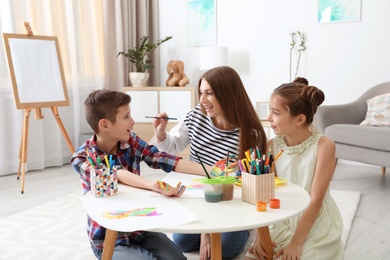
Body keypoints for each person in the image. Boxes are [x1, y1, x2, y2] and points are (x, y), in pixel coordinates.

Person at [71, 89, 211, 260]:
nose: (132, 121)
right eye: (126, 117)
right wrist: (155, 186)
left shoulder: (130, 141)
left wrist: (209, 170)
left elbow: (163, 159)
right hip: (110, 238)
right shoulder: (81, 158)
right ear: (105, 125)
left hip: (140, 230)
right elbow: (116, 173)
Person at [149, 66, 268, 259]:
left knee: (224, 251)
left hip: (230, 201)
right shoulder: (197, 116)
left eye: (210, 94)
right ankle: (212, 228)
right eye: (201, 93)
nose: (203, 100)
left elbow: (245, 183)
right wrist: (161, 133)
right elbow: (171, 145)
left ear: (228, 95)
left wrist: (207, 231)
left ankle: (242, 229)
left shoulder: (250, 133)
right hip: (198, 196)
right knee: (182, 242)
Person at [245, 77, 344, 259]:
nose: (269, 118)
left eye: (275, 113)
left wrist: (296, 243)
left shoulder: (324, 146)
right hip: (282, 215)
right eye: (270, 111)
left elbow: (316, 200)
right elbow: (265, 194)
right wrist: (261, 236)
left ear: (299, 119)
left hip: (313, 220)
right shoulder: (273, 145)